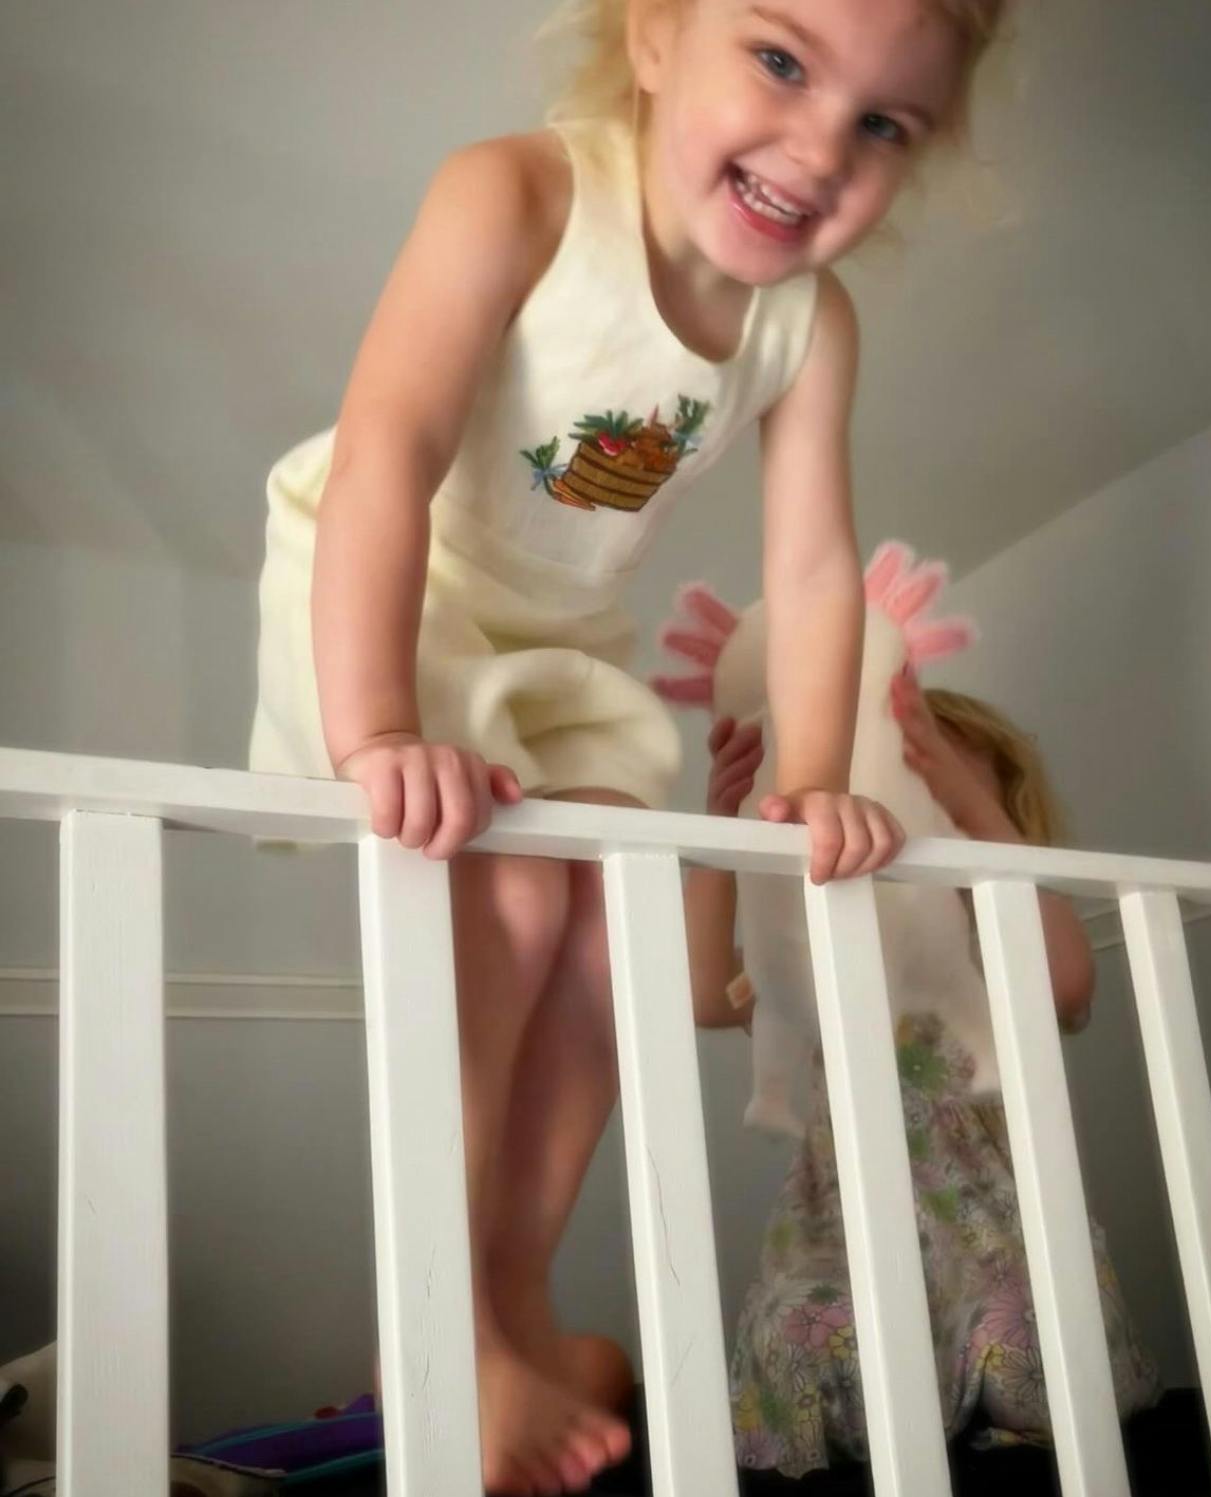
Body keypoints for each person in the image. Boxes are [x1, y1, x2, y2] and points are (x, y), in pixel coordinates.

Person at [250, 2, 1007, 1490]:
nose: (820, 148)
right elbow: (389, 445)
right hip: (403, 593)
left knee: (620, 935)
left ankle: (516, 1292)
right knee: (516, 899)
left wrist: (813, 777)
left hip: (564, 647)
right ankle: (443, 1315)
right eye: (782, 62)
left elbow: (812, 570)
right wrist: (380, 723)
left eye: (882, 124)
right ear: (654, 38)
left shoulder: (809, 324)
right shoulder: (519, 193)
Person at [687, 677, 1161, 1477]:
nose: (917, 809)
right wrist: (717, 835)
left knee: (1022, 1335)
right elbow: (705, 992)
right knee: (798, 1331)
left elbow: (1067, 979)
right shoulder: (821, 955)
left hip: (999, 1241)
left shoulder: (993, 935)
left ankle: (986, 1395)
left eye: (942, 796)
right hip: (844, 1239)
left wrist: (971, 809)